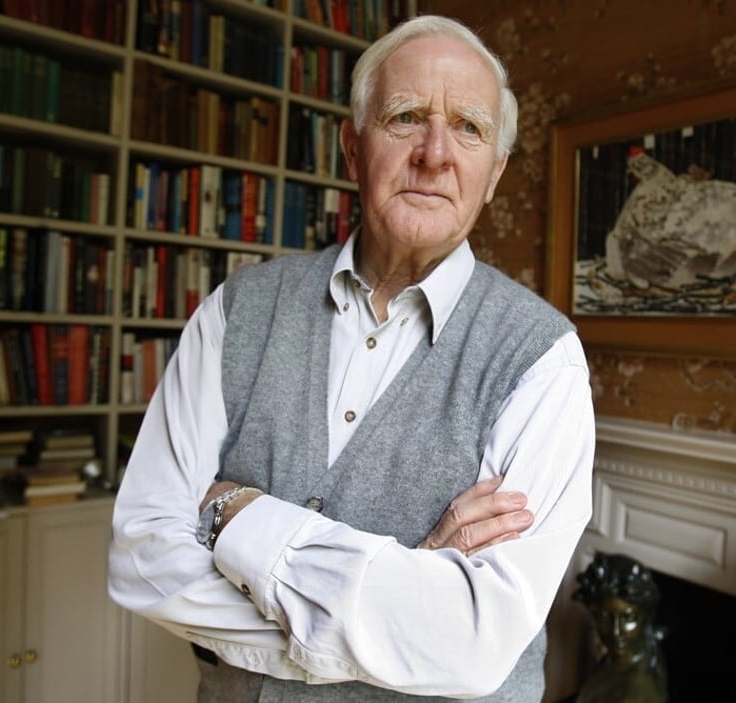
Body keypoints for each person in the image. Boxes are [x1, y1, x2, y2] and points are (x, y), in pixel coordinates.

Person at [109, 14, 595, 702]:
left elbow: (474, 644)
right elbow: (142, 555)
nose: (435, 152)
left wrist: (233, 512)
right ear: (352, 148)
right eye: (405, 117)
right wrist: (393, 602)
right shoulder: (238, 310)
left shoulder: (544, 361)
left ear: (493, 175)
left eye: (469, 127)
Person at [571, 553, 668, 703]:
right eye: (604, 617)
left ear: (646, 616)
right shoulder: (616, 660)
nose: (615, 631)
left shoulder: (632, 695)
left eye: (628, 618)